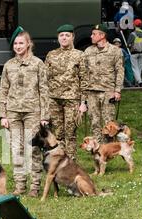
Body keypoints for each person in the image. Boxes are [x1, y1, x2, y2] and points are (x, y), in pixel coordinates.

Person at [0, 26, 49, 197]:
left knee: (33, 149)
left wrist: (45, 116)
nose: (18, 46)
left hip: (32, 112)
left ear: (28, 44)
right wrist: (2, 114)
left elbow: (44, 90)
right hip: (13, 112)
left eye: (21, 43)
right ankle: (20, 185)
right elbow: (3, 90)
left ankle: (35, 185)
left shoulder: (37, 64)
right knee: (16, 149)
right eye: (15, 44)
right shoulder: (9, 65)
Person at [44, 24, 87, 160]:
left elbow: (84, 79)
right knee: (57, 133)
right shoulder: (51, 54)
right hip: (54, 99)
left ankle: (71, 163)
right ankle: (59, 163)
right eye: (61, 35)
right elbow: (45, 77)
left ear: (72, 37)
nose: (64, 38)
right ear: (58, 38)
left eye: (67, 35)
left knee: (70, 133)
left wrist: (83, 102)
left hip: (72, 99)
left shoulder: (79, 55)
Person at [82, 24, 124, 143]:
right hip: (92, 91)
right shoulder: (88, 51)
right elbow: (84, 72)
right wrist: (84, 94)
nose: (91, 36)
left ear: (102, 35)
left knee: (108, 122)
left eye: (94, 34)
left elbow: (120, 71)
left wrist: (117, 90)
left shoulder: (115, 51)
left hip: (108, 91)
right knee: (94, 121)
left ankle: (109, 148)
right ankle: (97, 148)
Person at [127, 18, 142, 87]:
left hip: (134, 53)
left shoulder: (132, 34)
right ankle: (137, 82)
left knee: (135, 68)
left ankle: (140, 82)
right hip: (141, 52)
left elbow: (128, 44)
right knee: (139, 68)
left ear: (134, 25)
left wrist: (129, 45)